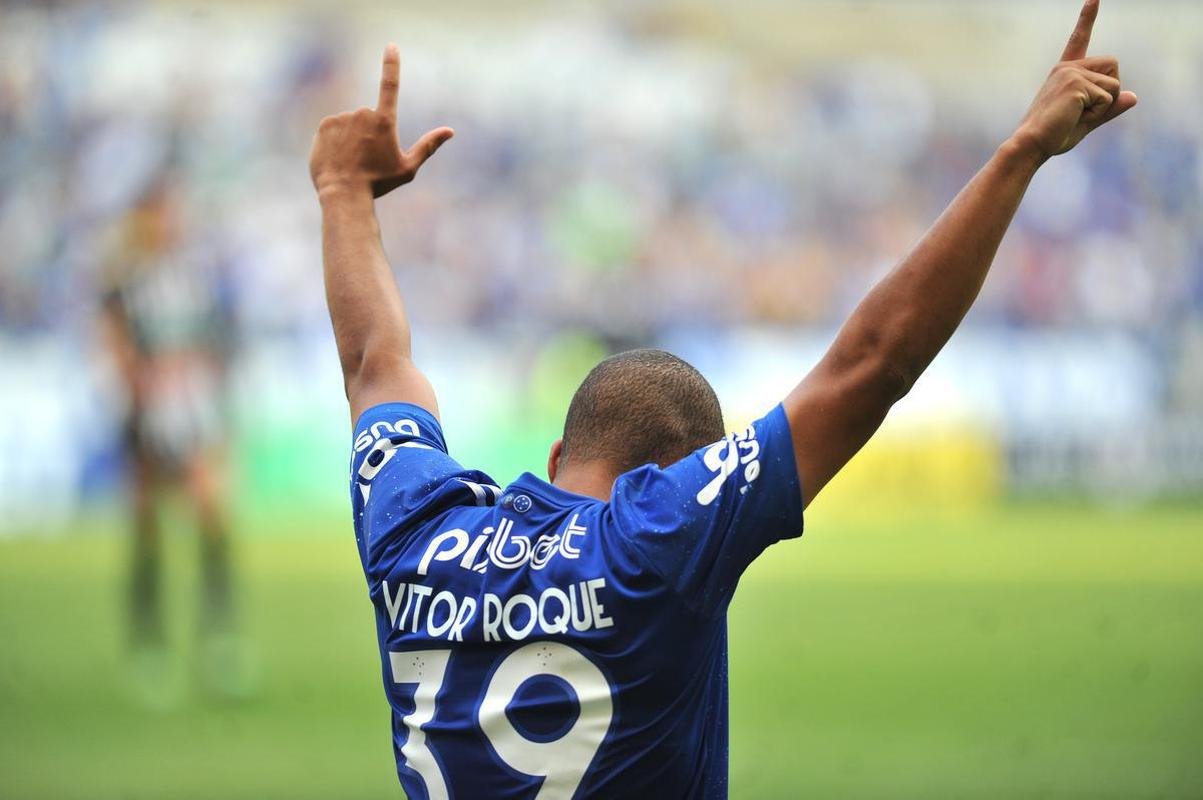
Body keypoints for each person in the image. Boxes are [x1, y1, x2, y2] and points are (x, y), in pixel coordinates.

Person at [308, 1, 1135, 795]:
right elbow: (872, 364)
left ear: (558, 455)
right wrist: (1020, 151)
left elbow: (374, 367)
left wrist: (343, 192)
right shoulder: (656, 542)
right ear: (690, 477)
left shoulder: (414, 527)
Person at [101, 174, 245, 705]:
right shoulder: (125, 280)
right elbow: (114, 345)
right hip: (145, 416)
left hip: (193, 414)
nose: (168, 224)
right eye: (160, 214)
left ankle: (220, 642)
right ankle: (149, 644)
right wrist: (141, 388)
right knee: (148, 531)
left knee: (212, 518)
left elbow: (219, 344)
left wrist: (211, 402)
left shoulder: (195, 278)